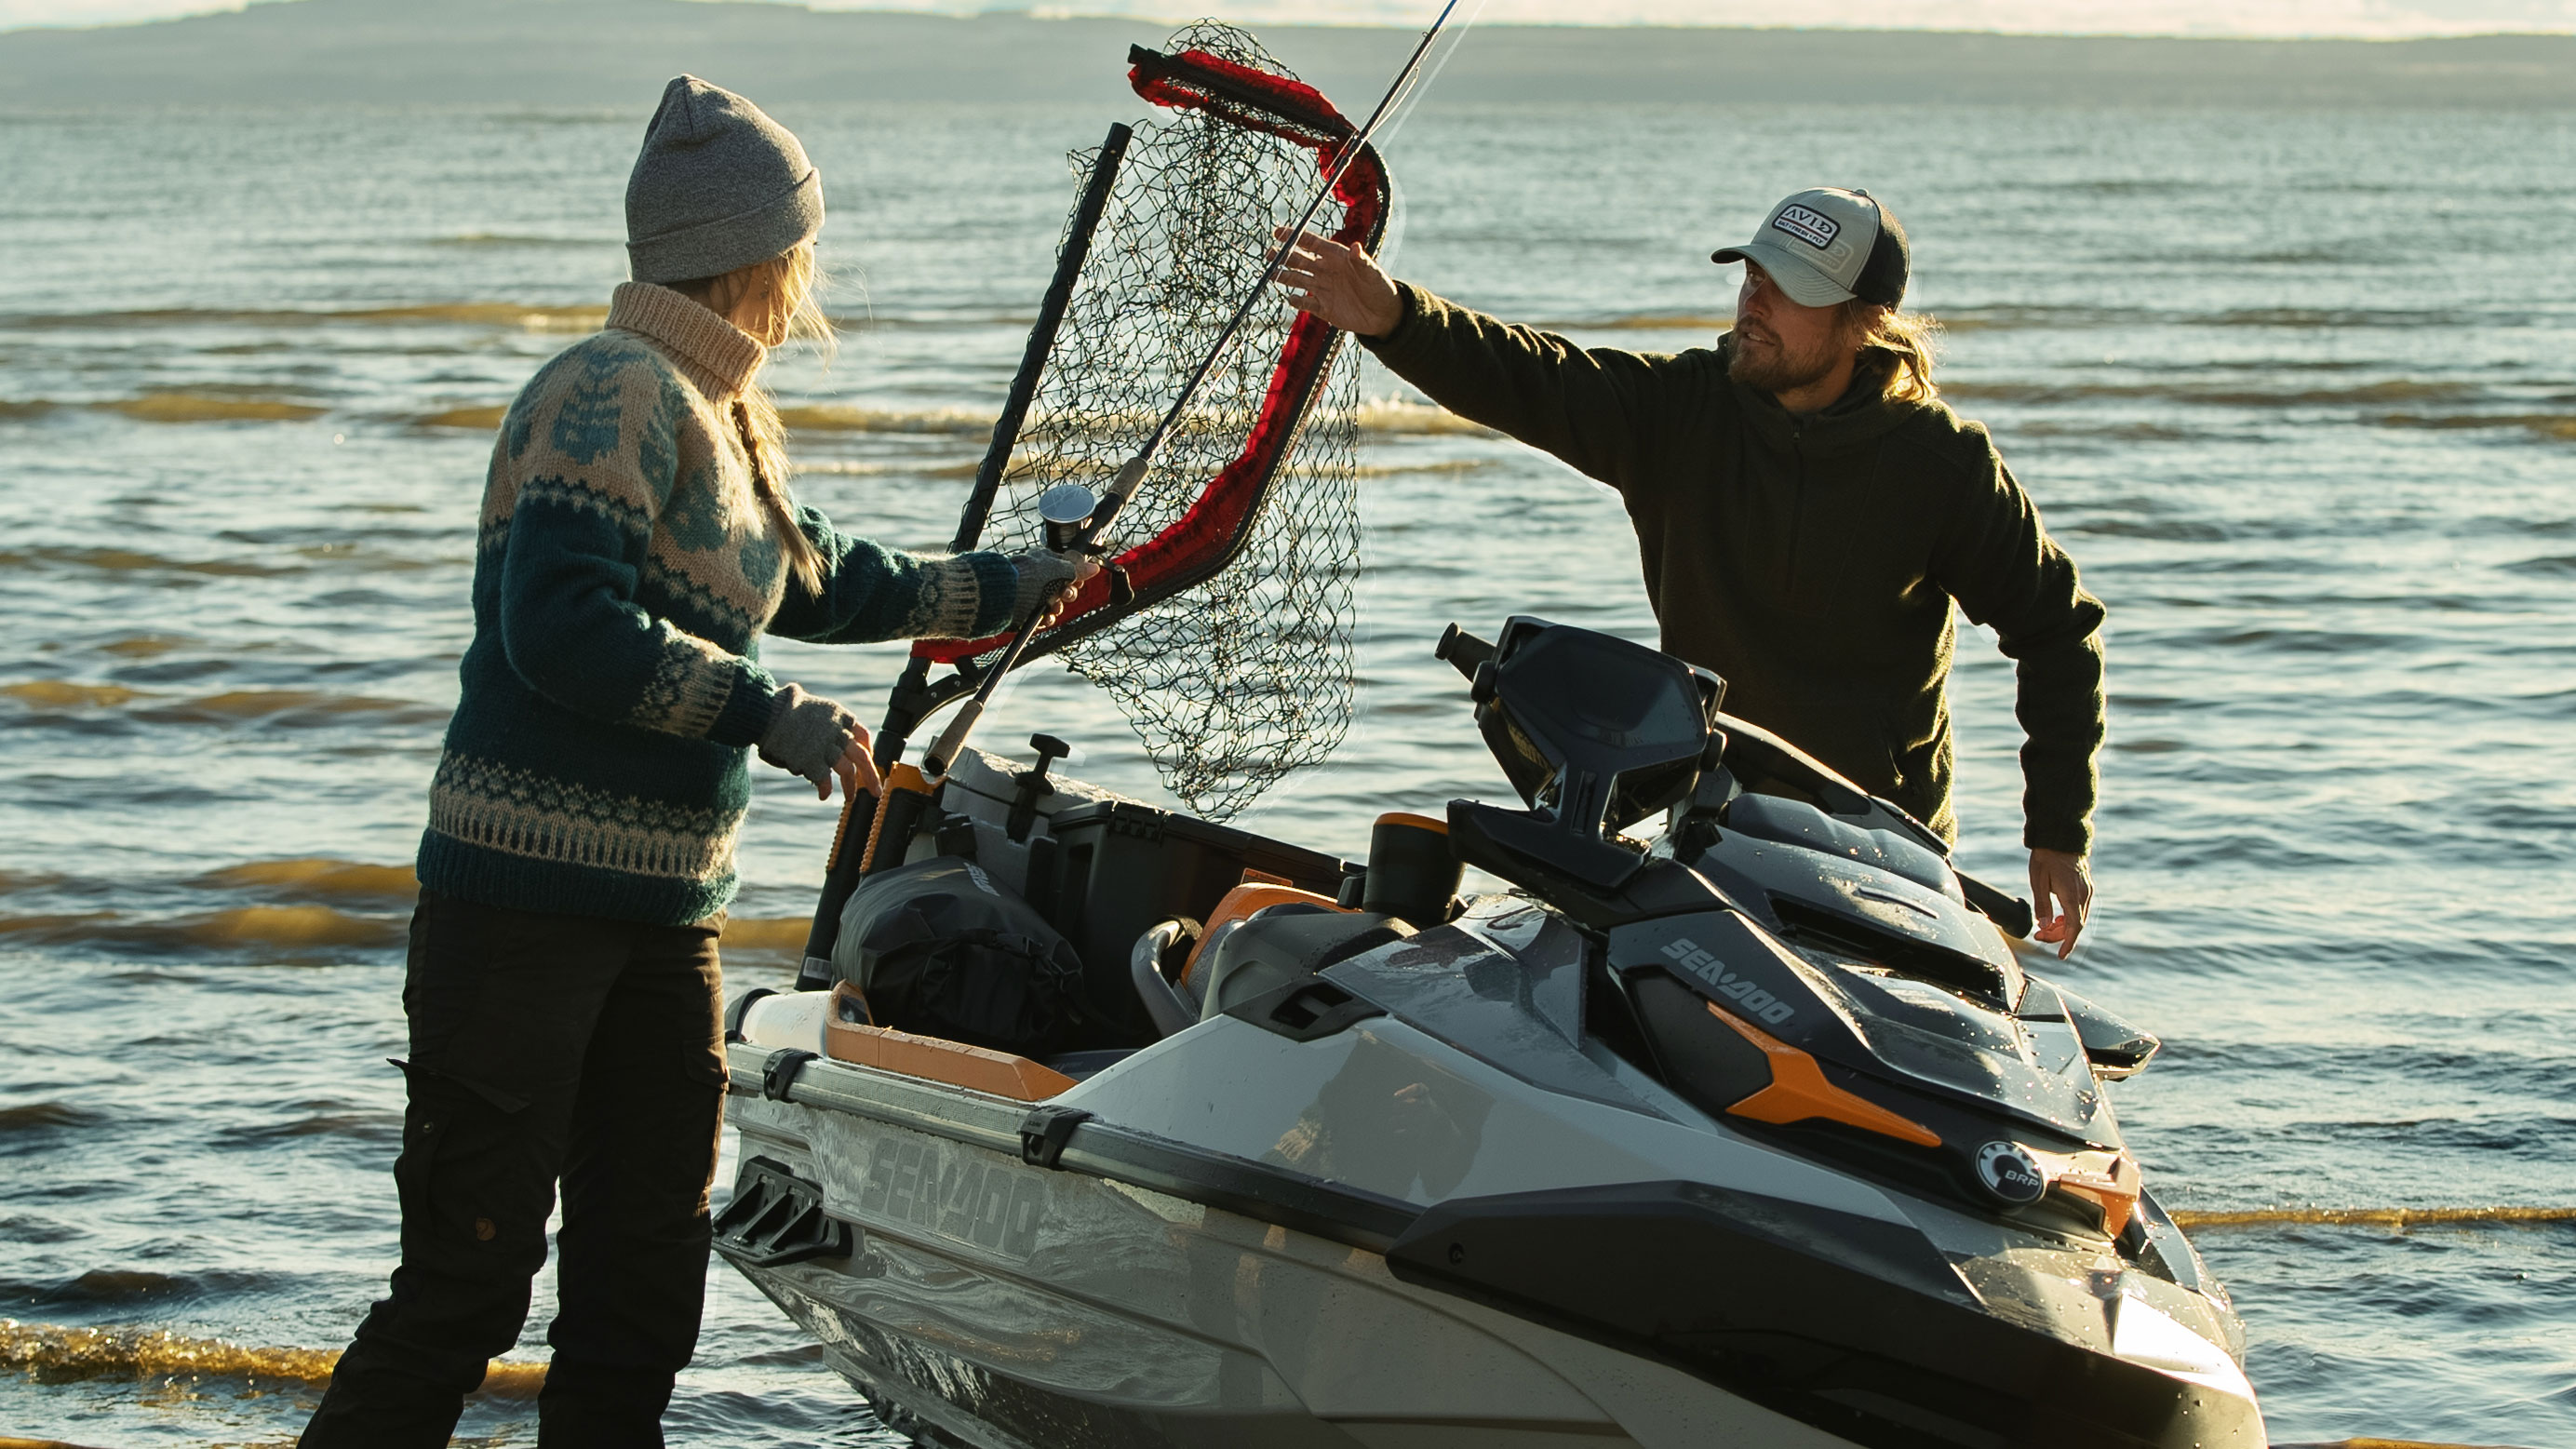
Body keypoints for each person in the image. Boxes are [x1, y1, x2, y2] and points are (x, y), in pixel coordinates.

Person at [301, 76, 1090, 1447]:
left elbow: (831, 578)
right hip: (520, 912)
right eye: (800, 247)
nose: (808, 276)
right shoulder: (606, 391)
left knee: (646, 1283)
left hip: (663, 919)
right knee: (468, 1284)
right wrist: (763, 710)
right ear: (753, 254)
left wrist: (1013, 584)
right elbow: (557, 627)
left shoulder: (721, 418)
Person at [1274, 187, 2102, 956]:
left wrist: (2057, 832)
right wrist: (1394, 317)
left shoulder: (1941, 466)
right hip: (1721, 832)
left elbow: (2057, 632)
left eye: (1792, 287)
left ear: (1865, 321)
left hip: (1881, 854)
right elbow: (1536, 378)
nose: (1755, 300)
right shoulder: (1685, 413)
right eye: (1753, 273)